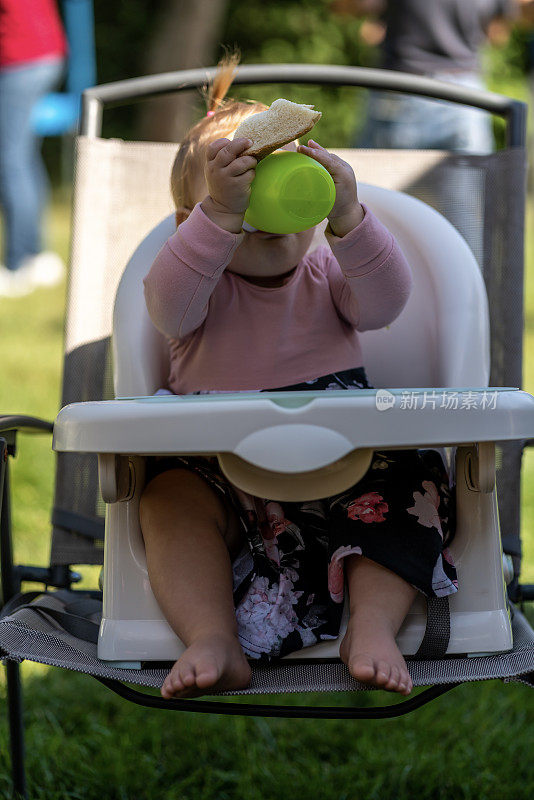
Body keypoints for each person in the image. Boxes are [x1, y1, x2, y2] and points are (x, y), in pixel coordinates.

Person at [140, 59, 458, 701]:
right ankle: (212, 636)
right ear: (188, 226)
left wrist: (350, 220)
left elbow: (388, 302)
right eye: (234, 188)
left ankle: (370, 629)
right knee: (166, 496)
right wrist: (222, 220)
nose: (260, 199)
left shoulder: (327, 279)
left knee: (414, 477)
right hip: (226, 479)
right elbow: (167, 305)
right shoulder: (196, 294)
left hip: (349, 476)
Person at [332, 0, 522, 153]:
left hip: (402, 87)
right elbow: (497, 34)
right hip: (466, 96)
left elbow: (352, 5)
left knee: (383, 192)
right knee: (466, 195)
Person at [0, 0, 67, 297]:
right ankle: (36, 255)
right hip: (45, 52)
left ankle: (17, 265)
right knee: (22, 156)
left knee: (10, 160)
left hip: (20, 57)